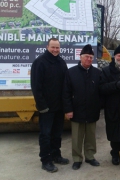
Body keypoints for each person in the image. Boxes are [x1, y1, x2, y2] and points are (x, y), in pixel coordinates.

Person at [31, 37, 69, 173]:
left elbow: (65, 85)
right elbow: (36, 87)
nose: (55, 50)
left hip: (59, 107)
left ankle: (56, 155)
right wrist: (42, 106)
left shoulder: (61, 62)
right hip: (46, 108)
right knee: (45, 135)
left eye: (57, 47)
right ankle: (46, 160)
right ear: (47, 47)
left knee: (57, 134)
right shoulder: (39, 62)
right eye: (53, 47)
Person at [63, 44, 102, 170]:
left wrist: (99, 107)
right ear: (80, 57)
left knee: (91, 136)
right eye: (86, 57)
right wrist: (68, 109)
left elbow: (101, 92)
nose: (89, 59)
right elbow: (66, 92)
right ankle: (77, 158)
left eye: (91, 57)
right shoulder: (71, 72)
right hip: (76, 111)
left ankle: (90, 157)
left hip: (92, 110)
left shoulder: (97, 73)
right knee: (77, 138)